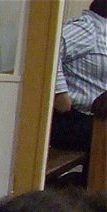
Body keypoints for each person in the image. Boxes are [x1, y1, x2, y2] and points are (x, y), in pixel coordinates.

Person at [52, 0, 107, 154]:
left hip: (95, 119)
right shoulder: (88, 28)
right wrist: (59, 92)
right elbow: (49, 49)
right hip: (74, 120)